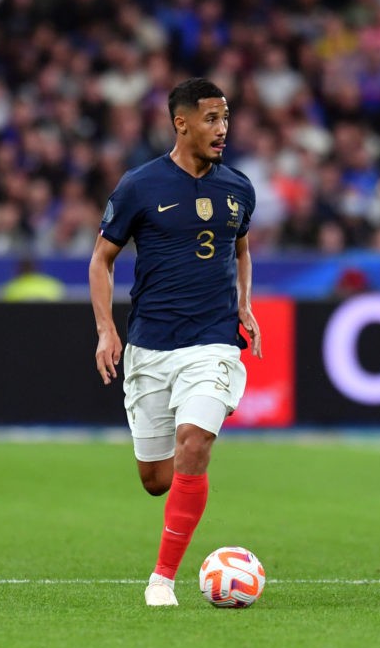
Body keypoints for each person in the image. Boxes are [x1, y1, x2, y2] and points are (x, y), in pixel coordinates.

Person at [88, 78, 262, 607]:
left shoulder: (238, 188)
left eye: (226, 119)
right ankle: (172, 501)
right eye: (211, 119)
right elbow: (102, 260)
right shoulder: (140, 186)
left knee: (196, 440)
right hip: (150, 345)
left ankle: (162, 578)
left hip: (212, 343)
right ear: (180, 123)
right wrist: (106, 329)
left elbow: (242, 250)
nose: (222, 129)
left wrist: (244, 304)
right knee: (156, 480)